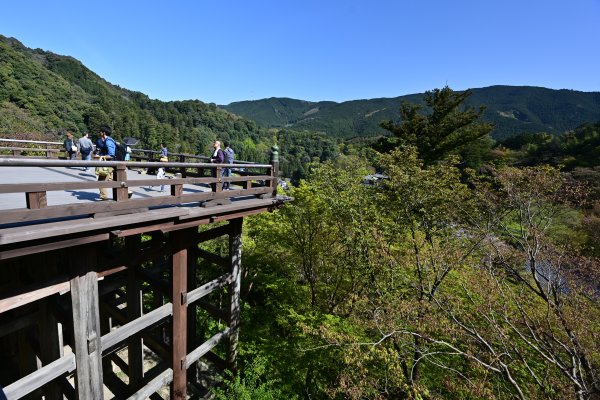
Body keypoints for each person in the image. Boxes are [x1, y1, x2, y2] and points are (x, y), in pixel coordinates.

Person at [94, 125, 116, 200]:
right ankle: (127, 191)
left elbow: (111, 155)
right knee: (111, 180)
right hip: (109, 164)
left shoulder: (108, 141)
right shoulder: (109, 140)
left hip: (109, 164)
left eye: (100, 132)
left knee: (101, 181)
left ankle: (104, 197)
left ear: (103, 133)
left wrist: (99, 157)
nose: (99, 133)